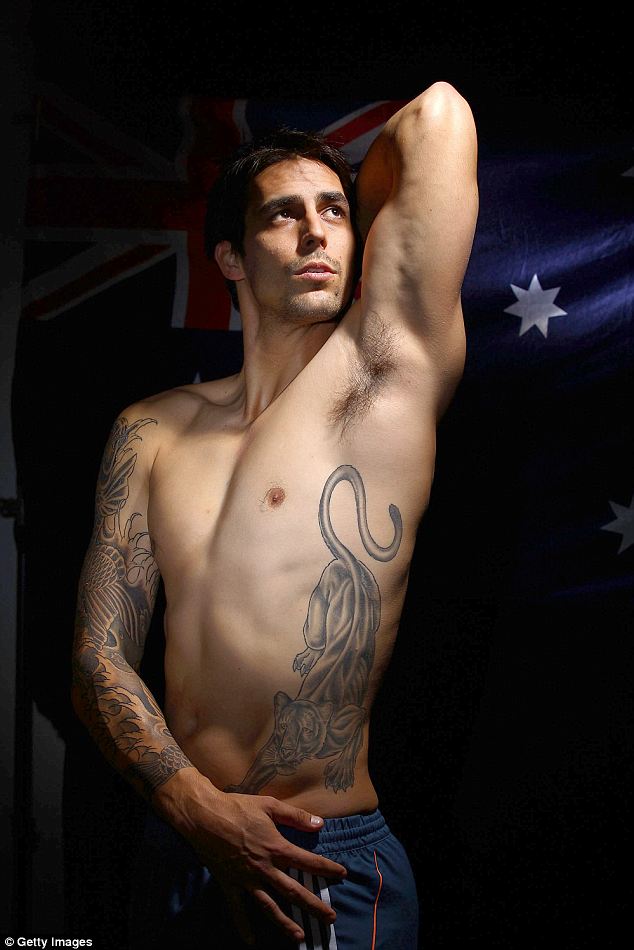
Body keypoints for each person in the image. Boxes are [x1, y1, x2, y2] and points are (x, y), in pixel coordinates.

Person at [71, 81, 478, 949]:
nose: (316, 232)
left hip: (319, 857)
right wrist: (193, 806)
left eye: (335, 212)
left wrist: (331, 180)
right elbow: (98, 655)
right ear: (230, 257)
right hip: (181, 837)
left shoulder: (382, 383)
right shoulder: (151, 430)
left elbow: (439, 113)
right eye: (283, 214)